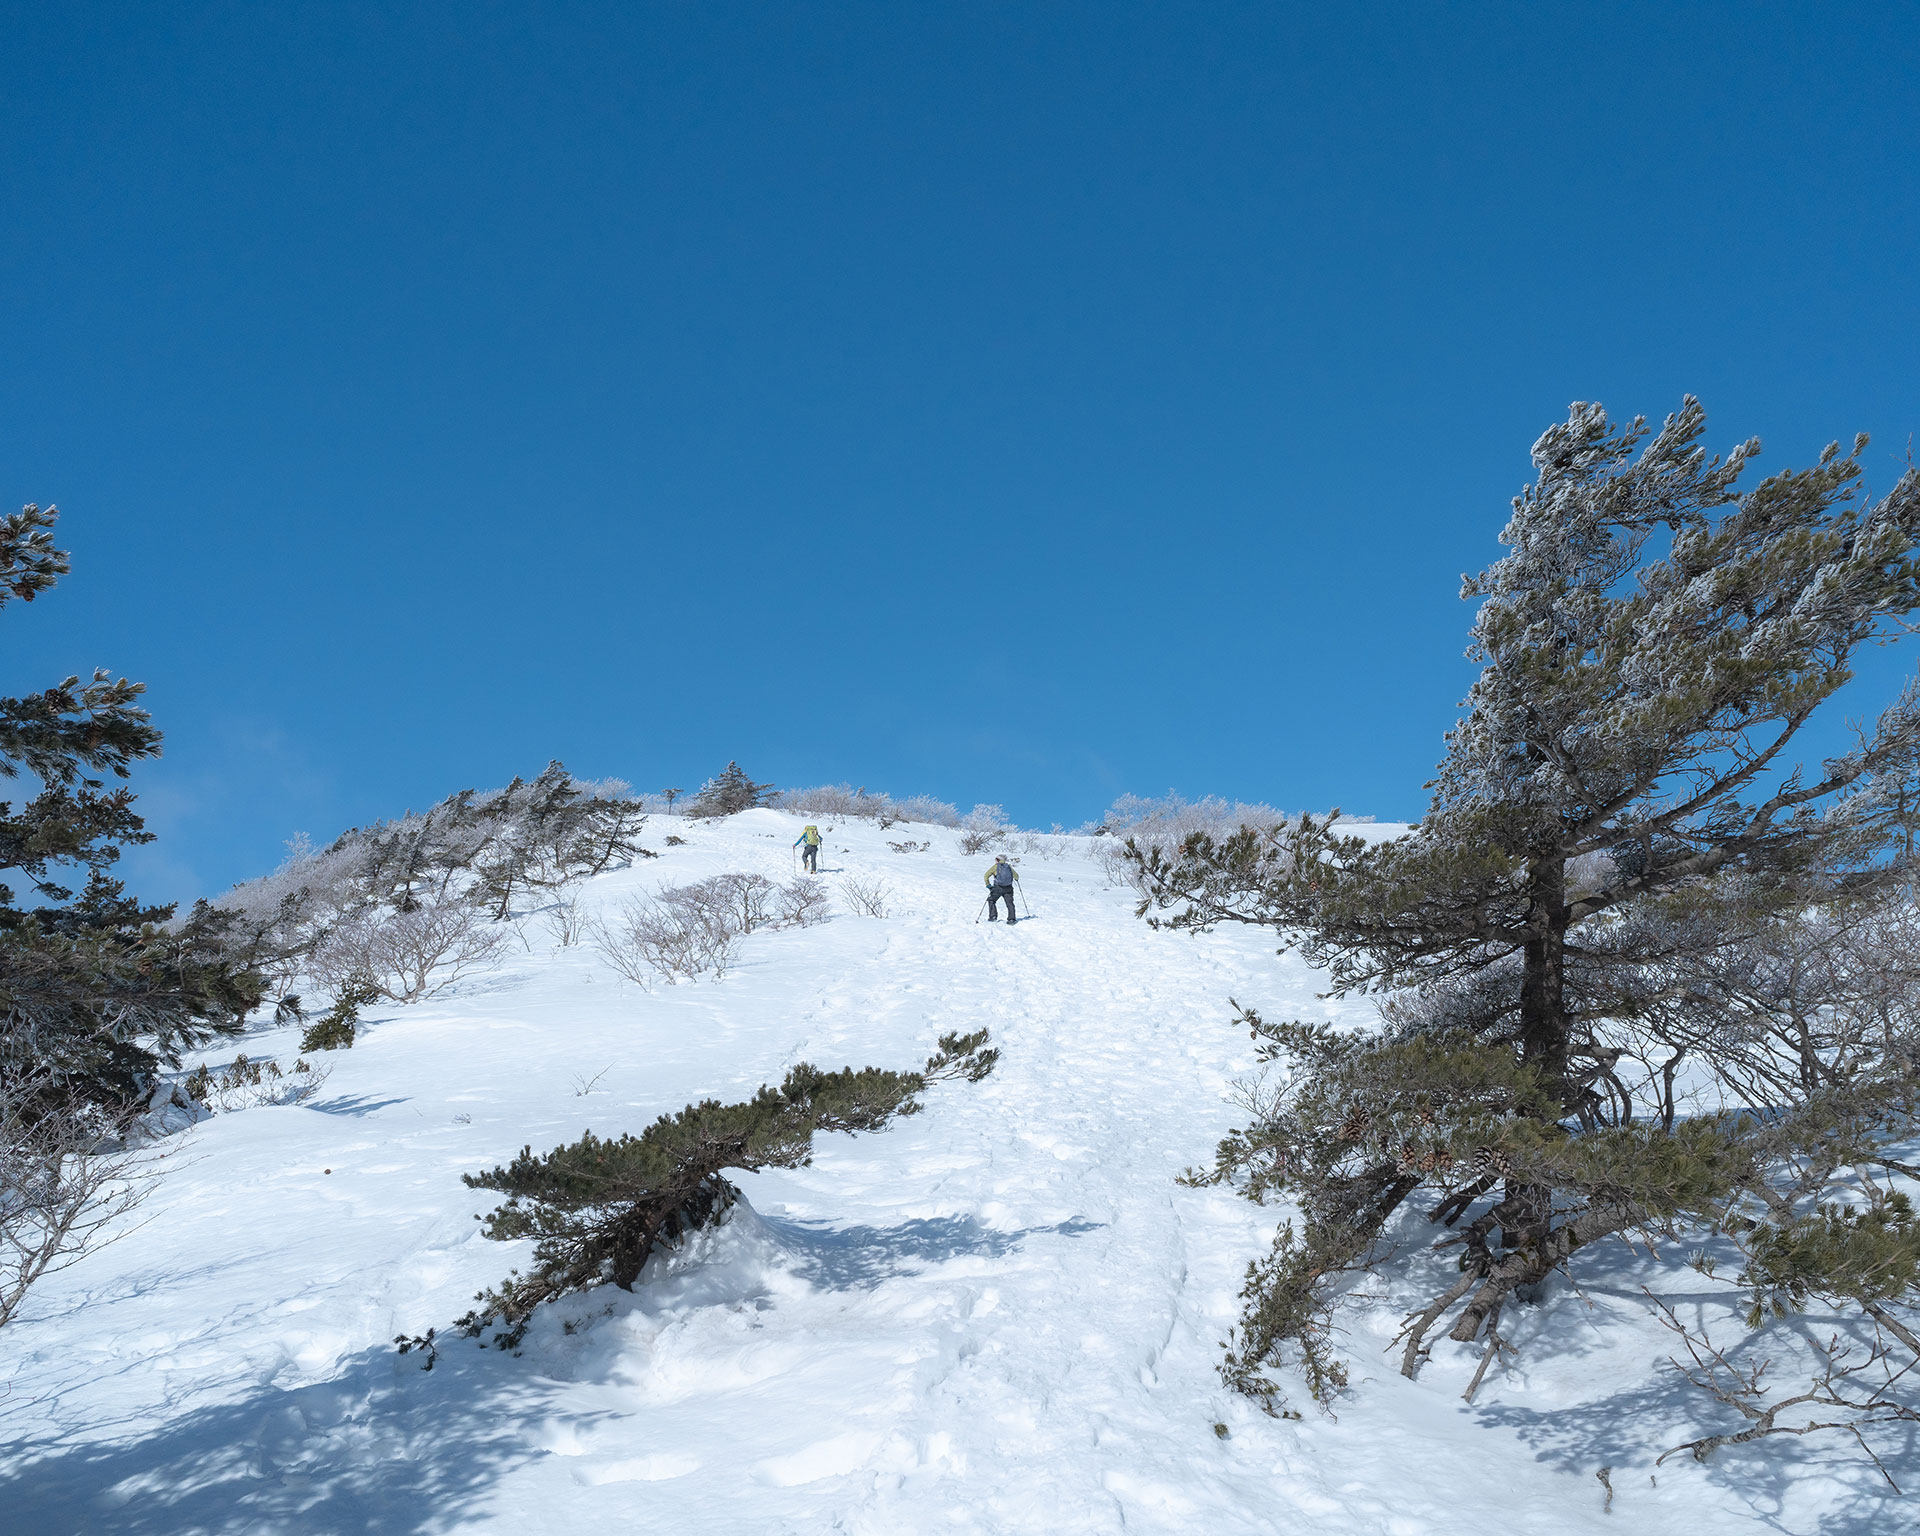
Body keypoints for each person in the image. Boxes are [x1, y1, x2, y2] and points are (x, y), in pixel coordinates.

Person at [983, 855, 1020, 923]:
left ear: (998, 860)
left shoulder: (995, 866)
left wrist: (988, 885)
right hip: (1008, 888)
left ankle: (993, 917)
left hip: (998, 888)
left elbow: (986, 875)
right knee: (1009, 903)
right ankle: (1011, 919)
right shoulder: (1008, 866)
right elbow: (1016, 876)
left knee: (991, 900)